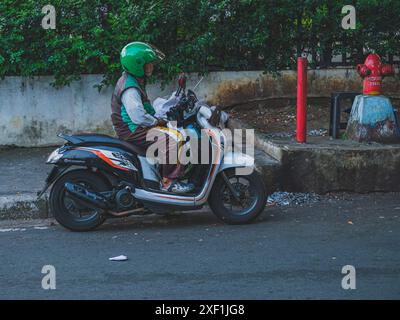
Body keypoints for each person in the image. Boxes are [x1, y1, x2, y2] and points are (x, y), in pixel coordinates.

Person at [111, 42, 194, 194]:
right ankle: (169, 182)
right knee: (173, 140)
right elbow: (138, 116)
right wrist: (156, 121)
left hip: (133, 127)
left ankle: (161, 172)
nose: (152, 67)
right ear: (138, 65)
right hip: (133, 130)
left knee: (171, 132)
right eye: (149, 64)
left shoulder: (132, 80)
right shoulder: (130, 87)